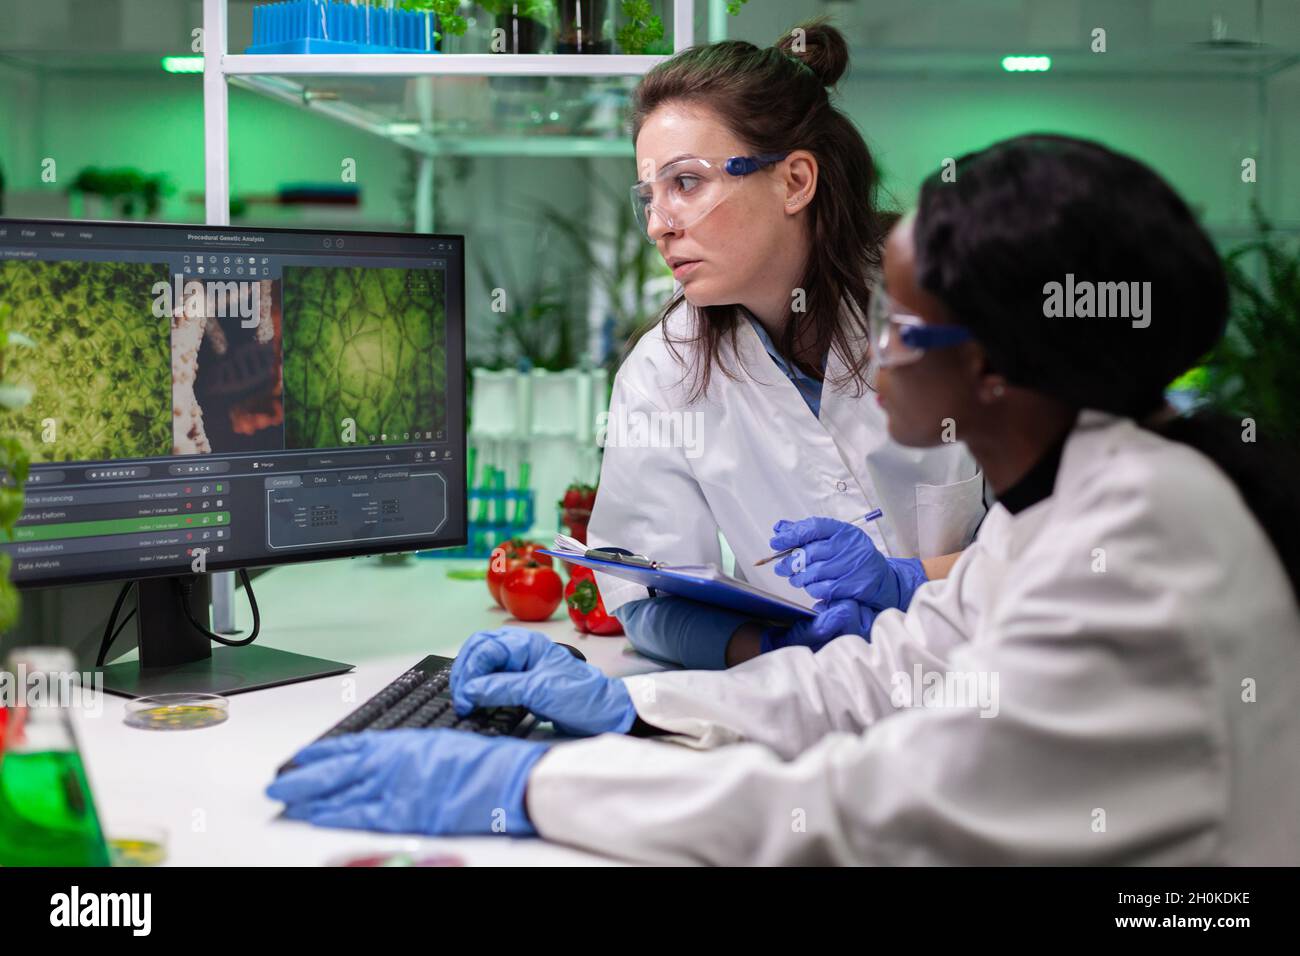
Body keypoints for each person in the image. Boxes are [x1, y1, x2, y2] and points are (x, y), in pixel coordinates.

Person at [267, 134, 1300, 865]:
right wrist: (633, 703)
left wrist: (523, 788)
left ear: (993, 368)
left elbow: (862, 813)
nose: (874, 353)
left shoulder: (1138, 542)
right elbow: (883, 679)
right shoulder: (1067, 496)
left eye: (902, 328)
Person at [587, 21, 987, 669]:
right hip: (807, 705)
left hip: (993, 684)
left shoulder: (946, 308)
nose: (660, 224)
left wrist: (910, 582)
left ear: (795, 180)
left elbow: (1064, 540)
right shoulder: (664, 369)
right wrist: (781, 646)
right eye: (650, 195)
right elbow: (643, 593)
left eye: (686, 183)